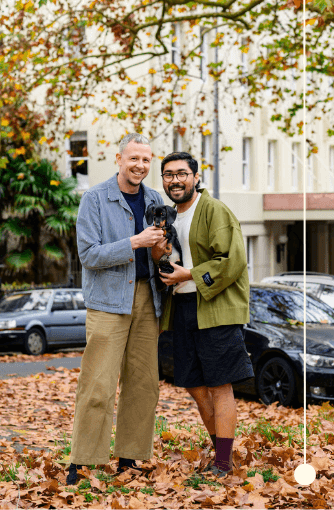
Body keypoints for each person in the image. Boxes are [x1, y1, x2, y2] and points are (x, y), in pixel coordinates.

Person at [66, 133, 166, 485]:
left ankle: (129, 458)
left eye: (146, 159)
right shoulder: (94, 198)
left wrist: (162, 250)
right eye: (134, 158)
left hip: (148, 299)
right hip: (108, 301)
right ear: (119, 159)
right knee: (97, 384)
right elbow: (89, 255)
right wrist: (134, 242)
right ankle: (82, 462)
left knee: (143, 384)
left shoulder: (155, 199)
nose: (140, 165)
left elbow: (160, 251)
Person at [154, 152, 253, 477]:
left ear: (195, 177)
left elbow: (232, 261)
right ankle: (221, 453)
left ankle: (223, 462)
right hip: (182, 309)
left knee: (219, 386)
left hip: (215, 309)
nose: (175, 180)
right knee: (195, 386)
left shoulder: (214, 210)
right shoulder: (169, 217)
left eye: (182, 173)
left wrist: (189, 275)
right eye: (169, 175)